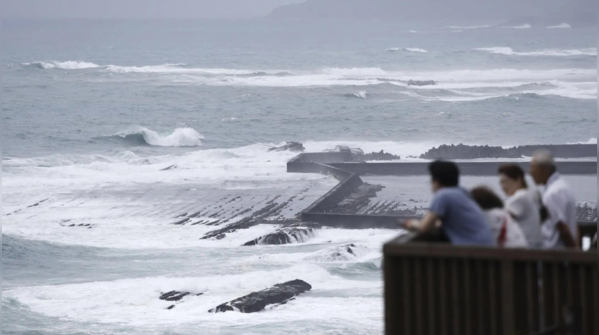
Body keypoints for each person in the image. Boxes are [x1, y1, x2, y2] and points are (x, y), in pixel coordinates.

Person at [403, 161, 496, 246]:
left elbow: (423, 227)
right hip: (487, 249)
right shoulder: (462, 192)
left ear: (436, 182)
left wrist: (411, 224)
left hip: (473, 253)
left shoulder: (443, 195)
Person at [529, 150, 579, 249]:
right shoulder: (562, 186)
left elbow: (562, 227)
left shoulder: (552, 193)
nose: (530, 172)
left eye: (533, 168)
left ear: (545, 169)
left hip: (554, 256)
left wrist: (576, 253)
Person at [498, 164, 543, 248]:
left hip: (522, 250)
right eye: (501, 183)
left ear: (519, 180)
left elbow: (502, 224)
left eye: (505, 182)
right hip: (534, 248)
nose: (503, 187)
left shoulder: (519, 198)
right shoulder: (532, 193)